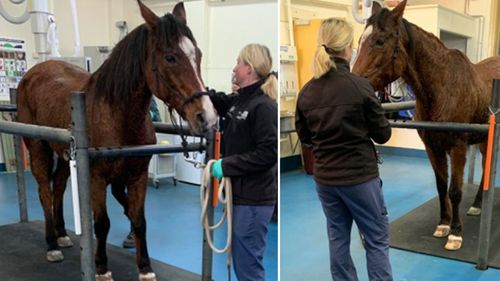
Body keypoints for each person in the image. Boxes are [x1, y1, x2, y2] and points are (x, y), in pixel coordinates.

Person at [295, 18, 393, 281]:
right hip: (360, 178)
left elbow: (305, 137)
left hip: (326, 179)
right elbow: (383, 134)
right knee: (376, 238)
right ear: (349, 48)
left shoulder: (306, 93)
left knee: (337, 237)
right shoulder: (359, 86)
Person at [209, 43, 277, 281]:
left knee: (248, 265)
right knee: (241, 261)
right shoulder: (240, 101)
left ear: (249, 68)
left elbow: (268, 153)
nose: (235, 67)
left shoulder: (264, 106)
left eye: (238, 62)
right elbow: (220, 102)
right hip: (239, 196)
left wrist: (225, 166)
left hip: (254, 199)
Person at [121, 98, 162, 248]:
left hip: (137, 150)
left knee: (136, 191)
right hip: (120, 150)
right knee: (117, 190)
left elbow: (157, 117)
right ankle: (132, 216)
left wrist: (147, 115)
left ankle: (134, 227)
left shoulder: (148, 99)